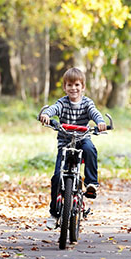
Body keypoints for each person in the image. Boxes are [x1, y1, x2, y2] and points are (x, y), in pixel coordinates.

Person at [39, 67, 106, 230]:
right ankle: (54, 213)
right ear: (65, 87)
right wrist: (47, 115)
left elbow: (94, 113)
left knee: (90, 149)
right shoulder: (63, 102)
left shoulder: (87, 103)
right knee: (56, 178)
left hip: (82, 140)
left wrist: (100, 122)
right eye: (69, 85)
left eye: (77, 85)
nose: (73, 88)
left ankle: (91, 183)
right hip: (65, 143)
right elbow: (53, 109)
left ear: (83, 87)